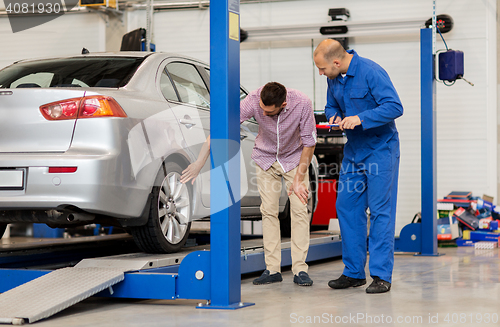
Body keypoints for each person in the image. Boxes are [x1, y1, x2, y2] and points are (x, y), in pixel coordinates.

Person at [181, 82, 317, 286]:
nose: (262, 113)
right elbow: (222, 127)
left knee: (299, 211)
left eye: (267, 112)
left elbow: (309, 142)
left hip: (294, 160)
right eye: (260, 109)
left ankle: (300, 270)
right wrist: (200, 162)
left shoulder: (302, 103)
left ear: (283, 104)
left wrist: (298, 180)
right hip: (265, 159)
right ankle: (272, 269)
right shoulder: (253, 100)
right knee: (268, 212)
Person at [313, 39, 403, 293]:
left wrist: (361, 118)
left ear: (337, 62)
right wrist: (334, 116)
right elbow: (331, 105)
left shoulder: (372, 72)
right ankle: (354, 272)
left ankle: (381, 275)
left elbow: (395, 106)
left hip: (380, 150)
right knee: (347, 205)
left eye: (322, 68)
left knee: (380, 211)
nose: (321, 74)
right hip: (354, 152)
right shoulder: (334, 78)